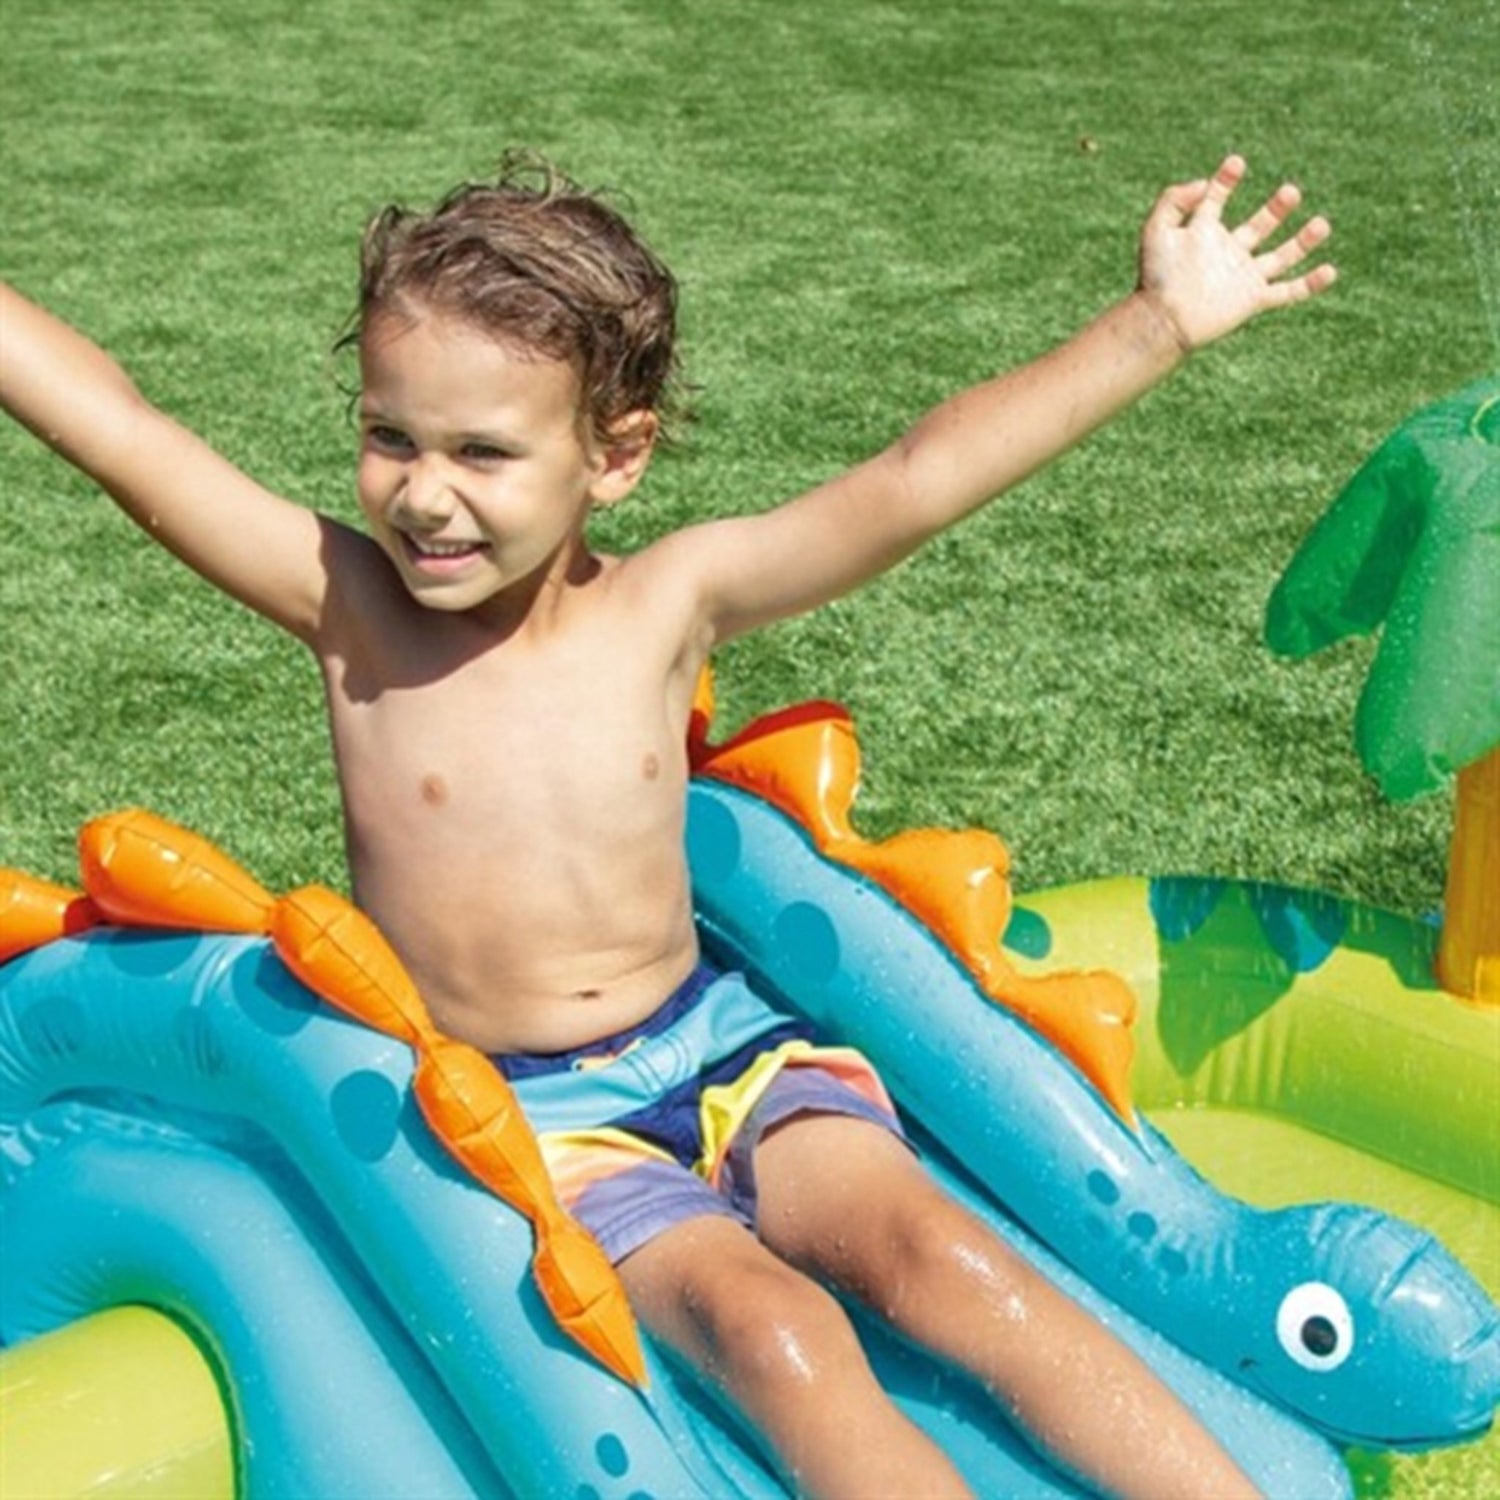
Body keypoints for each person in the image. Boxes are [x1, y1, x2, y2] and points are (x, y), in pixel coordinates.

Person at [0, 150, 1334, 1499]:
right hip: (536, 1120)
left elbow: (914, 480)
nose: (423, 493)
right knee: (774, 1332)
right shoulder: (352, 612)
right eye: (390, 437)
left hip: (731, 1049)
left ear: (616, 455)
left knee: (946, 1261)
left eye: (483, 452)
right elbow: (123, 431)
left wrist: (1156, 324)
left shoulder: (668, 604)